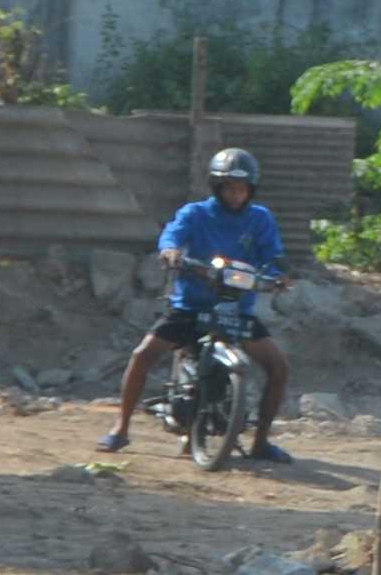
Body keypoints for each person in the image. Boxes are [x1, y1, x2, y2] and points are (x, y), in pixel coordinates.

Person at [106, 148, 291, 459]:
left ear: (251, 190)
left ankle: (260, 442)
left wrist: (279, 275)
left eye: (242, 188)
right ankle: (120, 429)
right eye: (230, 187)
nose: (236, 194)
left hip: (236, 311)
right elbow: (171, 236)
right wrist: (171, 252)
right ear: (217, 187)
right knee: (143, 355)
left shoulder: (260, 218)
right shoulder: (195, 213)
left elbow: (272, 256)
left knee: (279, 367)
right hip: (191, 307)